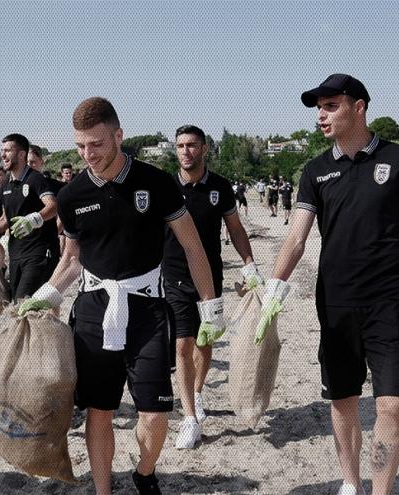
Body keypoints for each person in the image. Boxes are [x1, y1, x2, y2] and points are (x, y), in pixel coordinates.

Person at [255, 74, 399, 495]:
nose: (321, 115)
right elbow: (296, 238)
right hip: (336, 304)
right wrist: (273, 292)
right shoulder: (315, 170)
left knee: (392, 404)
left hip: (390, 302)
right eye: (318, 108)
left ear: (359, 107)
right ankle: (349, 481)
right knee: (342, 402)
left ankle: (380, 491)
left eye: (331, 105)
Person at [17, 98, 223, 495]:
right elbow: (72, 259)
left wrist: (209, 306)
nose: (87, 155)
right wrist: (48, 293)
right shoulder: (72, 196)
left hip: (147, 307)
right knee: (100, 410)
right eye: (80, 146)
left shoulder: (157, 183)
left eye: (95, 144)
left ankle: (144, 472)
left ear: (118, 136)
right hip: (94, 308)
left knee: (156, 412)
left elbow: (194, 248)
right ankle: (103, 490)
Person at [163, 125, 263, 449]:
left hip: (211, 277)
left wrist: (249, 265)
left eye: (192, 145)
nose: (185, 151)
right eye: (180, 146)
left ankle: (197, 390)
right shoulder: (165, 187)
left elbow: (235, 229)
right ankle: (189, 419)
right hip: (174, 274)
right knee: (181, 344)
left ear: (204, 148)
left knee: (204, 342)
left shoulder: (220, 187)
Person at [0, 134, 59, 300]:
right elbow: (5, 219)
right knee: (15, 304)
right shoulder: (6, 186)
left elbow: (53, 206)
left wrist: (34, 220)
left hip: (39, 253)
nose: (3, 155)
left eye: (8, 150)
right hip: (16, 254)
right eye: (2, 150)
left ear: (22, 154)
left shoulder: (36, 179)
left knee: (22, 303)